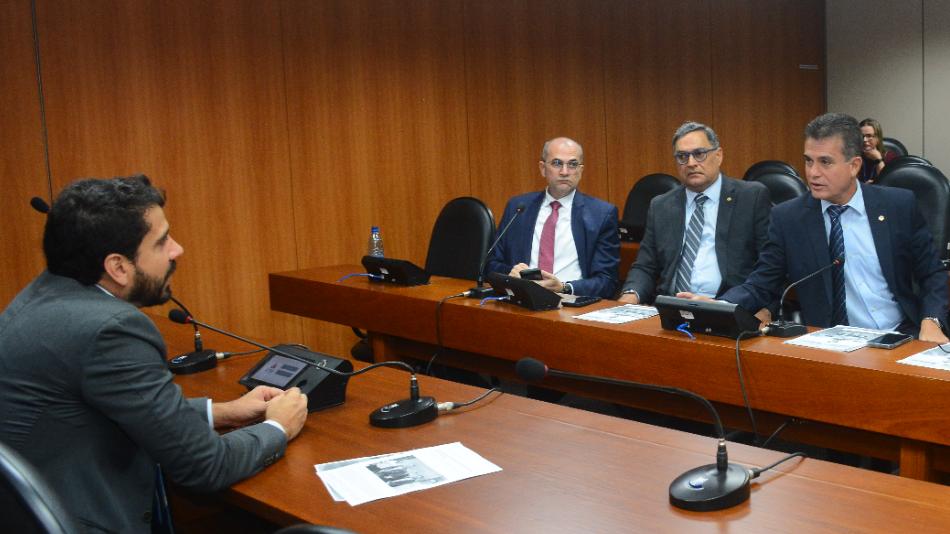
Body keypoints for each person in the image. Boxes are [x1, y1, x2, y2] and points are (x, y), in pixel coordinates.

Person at [0, 175, 309, 532]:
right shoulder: (110, 330)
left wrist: (221, 413)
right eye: (162, 242)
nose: (177, 250)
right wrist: (277, 427)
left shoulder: (44, 295)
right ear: (118, 267)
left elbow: (114, 409)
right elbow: (206, 467)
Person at [708, 113, 948, 342]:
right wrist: (718, 306)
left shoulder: (897, 205)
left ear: (854, 165)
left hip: (899, 335)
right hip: (828, 342)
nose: (813, 173)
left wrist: (931, 320)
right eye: (808, 161)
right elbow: (762, 284)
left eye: (825, 162)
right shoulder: (788, 218)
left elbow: (932, 274)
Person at [619, 122, 772, 316]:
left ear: (718, 155)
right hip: (671, 308)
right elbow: (645, 266)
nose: (691, 163)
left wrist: (723, 304)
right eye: (682, 156)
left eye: (699, 154)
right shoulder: (661, 206)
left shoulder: (751, 198)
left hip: (728, 308)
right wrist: (630, 295)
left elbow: (768, 268)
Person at [484, 137, 620, 298]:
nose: (565, 172)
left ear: (581, 170)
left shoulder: (601, 214)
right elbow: (491, 265)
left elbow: (607, 281)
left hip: (571, 302)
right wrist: (511, 274)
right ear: (542, 168)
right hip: (522, 300)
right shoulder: (518, 208)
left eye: (572, 164)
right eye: (557, 163)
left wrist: (564, 287)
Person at [858, 118, 898, 183]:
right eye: (861, 136)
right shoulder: (854, 156)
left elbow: (889, 183)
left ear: (878, 138)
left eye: (869, 136)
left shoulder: (889, 156)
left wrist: (878, 160)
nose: (864, 140)